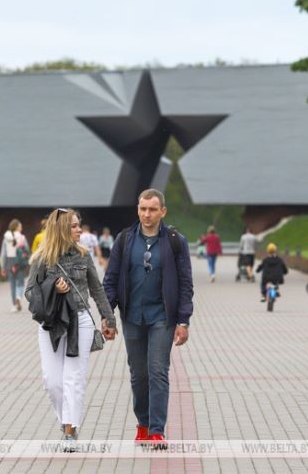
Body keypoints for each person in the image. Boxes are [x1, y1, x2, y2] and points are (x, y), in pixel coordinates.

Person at [103, 189, 194, 450]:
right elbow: (110, 280)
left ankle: (156, 430)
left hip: (162, 317)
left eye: (152, 209)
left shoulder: (176, 241)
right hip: (131, 316)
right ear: (138, 209)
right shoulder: (124, 240)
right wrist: (107, 316)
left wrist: (183, 321)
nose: (147, 214)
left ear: (163, 211)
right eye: (143, 209)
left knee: (157, 371)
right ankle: (142, 425)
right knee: (138, 375)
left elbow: (186, 284)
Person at [25, 208, 118, 451]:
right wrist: (52, 289)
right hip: (51, 323)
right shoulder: (41, 259)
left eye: (79, 225)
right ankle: (66, 419)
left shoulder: (83, 255)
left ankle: (69, 429)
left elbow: (97, 289)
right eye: (74, 226)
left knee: (73, 379)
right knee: (52, 382)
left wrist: (109, 319)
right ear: (62, 230)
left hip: (80, 322)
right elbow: (29, 293)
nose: (80, 230)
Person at [0, 219, 30, 312]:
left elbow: (3, 253)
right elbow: (27, 250)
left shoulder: (6, 237)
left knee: (12, 284)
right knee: (20, 282)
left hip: (10, 262)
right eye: (20, 226)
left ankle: (14, 304)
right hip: (19, 262)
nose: (21, 228)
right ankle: (18, 297)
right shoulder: (22, 237)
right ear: (17, 227)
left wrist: (3, 267)